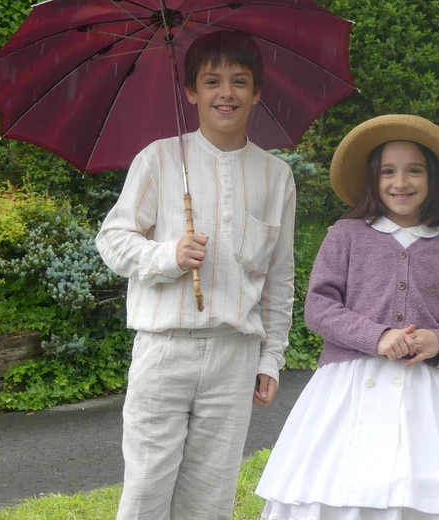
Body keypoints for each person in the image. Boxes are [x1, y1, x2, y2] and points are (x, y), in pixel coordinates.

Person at [96, 29, 296, 520]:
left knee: (209, 500)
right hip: (165, 351)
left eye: (239, 81)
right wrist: (169, 255)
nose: (226, 93)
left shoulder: (276, 176)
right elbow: (113, 240)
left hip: (235, 356)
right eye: (212, 81)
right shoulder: (159, 159)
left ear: (256, 92)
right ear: (191, 92)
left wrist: (270, 358)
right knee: (145, 493)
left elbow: (280, 277)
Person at [256, 115, 439, 520]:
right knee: (340, 479)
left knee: (418, 482)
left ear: (432, 179)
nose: (400, 182)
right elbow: (318, 307)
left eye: (414, 171)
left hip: (423, 394)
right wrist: (378, 336)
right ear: (373, 178)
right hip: (346, 387)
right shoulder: (346, 235)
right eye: (388, 172)